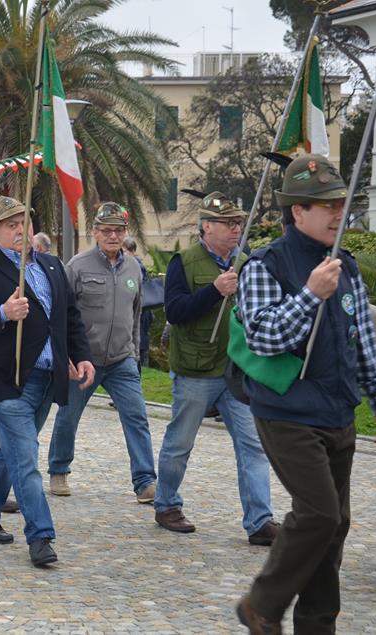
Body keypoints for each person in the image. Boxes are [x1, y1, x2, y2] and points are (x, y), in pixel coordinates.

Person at [234, 154, 376, 633]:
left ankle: (317, 623)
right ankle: (261, 604)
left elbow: (363, 342)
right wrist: (309, 294)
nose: (337, 212)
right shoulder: (266, 265)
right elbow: (263, 336)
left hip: (337, 413)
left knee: (336, 524)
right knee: (319, 513)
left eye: (340, 203)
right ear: (297, 212)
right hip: (286, 412)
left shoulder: (343, 265)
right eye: (325, 204)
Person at [0, 196, 94, 566]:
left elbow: (69, 317)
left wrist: (82, 356)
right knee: (27, 459)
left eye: (24, 223)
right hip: (6, 380)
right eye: (11, 225)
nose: (20, 230)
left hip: (47, 379)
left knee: (12, 452)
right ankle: (41, 536)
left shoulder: (51, 265)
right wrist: (2, 311)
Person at [154, 192, 277, 546]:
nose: (235, 228)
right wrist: (214, 290)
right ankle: (166, 504)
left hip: (237, 370)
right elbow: (175, 311)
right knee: (180, 443)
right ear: (207, 226)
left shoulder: (246, 260)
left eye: (238, 222)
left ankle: (260, 521)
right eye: (227, 223)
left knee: (252, 446)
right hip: (195, 370)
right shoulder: (185, 261)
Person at [47, 203, 157, 502]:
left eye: (118, 230)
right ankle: (59, 470)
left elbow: (135, 314)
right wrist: (67, 356)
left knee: (137, 416)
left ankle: (145, 481)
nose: (112, 236)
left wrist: (134, 353)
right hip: (85, 360)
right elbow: (61, 315)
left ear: (125, 233)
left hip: (122, 360)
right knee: (69, 416)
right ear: (94, 233)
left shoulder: (134, 266)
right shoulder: (77, 266)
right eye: (106, 230)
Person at [123, 236, 153, 370]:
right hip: (141, 313)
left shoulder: (135, 266)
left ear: (131, 251)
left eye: (124, 251)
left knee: (139, 349)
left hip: (139, 313)